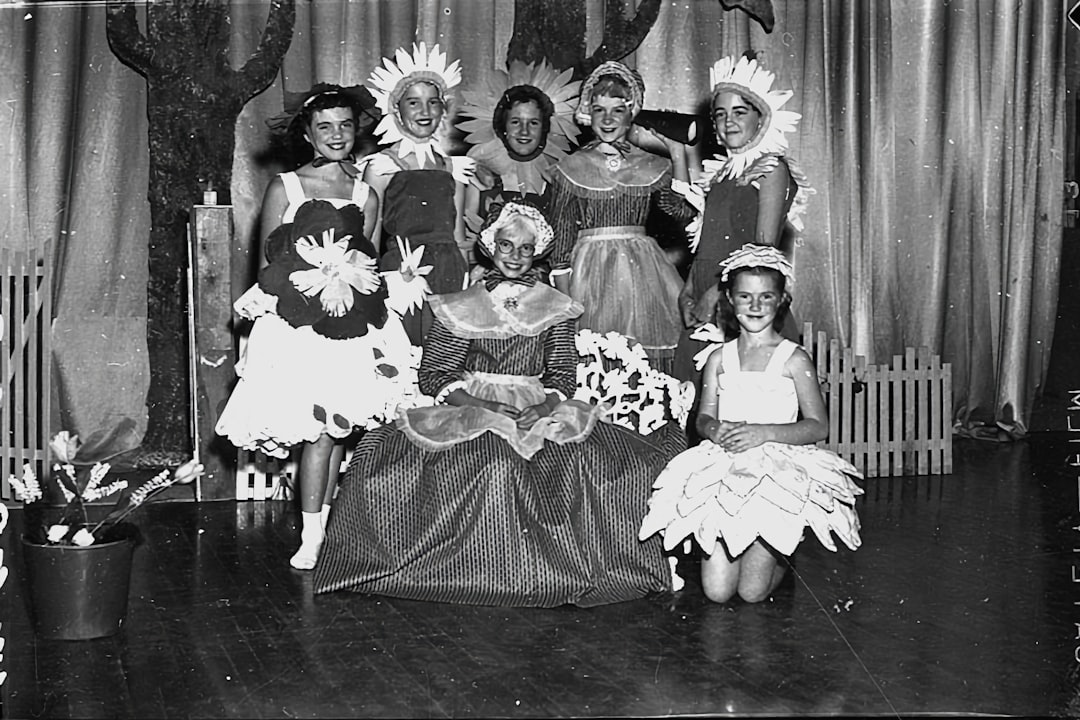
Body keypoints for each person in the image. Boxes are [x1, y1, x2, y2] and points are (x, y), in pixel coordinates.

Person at [312, 202, 682, 607]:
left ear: (537, 252)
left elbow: (562, 373)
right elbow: (435, 373)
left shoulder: (556, 306)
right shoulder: (461, 303)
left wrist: (544, 408)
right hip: (470, 405)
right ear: (490, 245)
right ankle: (474, 568)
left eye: (526, 248)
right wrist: (477, 404)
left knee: (586, 463)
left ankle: (545, 570)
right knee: (479, 462)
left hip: (535, 406)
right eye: (507, 245)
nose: (515, 256)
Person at [216, 84, 424, 571]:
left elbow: (366, 259)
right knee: (319, 434)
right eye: (324, 127)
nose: (336, 135)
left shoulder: (365, 193)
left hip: (350, 323)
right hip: (300, 325)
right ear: (308, 135)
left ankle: (321, 528)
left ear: (356, 131)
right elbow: (269, 263)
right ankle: (311, 538)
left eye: (345, 126)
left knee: (337, 432)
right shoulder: (286, 187)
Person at [639, 244, 862, 604]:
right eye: (745, 296)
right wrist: (713, 429)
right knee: (717, 592)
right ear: (729, 299)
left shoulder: (794, 359)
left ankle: (781, 553)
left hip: (776, 469)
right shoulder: (718, 358)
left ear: (781, 299)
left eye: (765, 297)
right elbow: (703, 418)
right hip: (727, 467)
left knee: (752, 593)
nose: (755, 306)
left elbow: (818, 426)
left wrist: (763, 433)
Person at [547, 60, 698, 375]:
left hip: (641, 273)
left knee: (640, 362)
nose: (608, 119)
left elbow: (682, 212)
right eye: (599, 110)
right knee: (593, 361)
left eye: (617, 110)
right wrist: (564, 304)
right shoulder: (570, 167)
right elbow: (561, 240)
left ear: (633, 114)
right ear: (588, 112)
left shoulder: (650, 164)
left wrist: (677, 154)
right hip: (589, 274)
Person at [673, 54, 812, 382]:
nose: (728, 122)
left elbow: (762, 252)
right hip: (706, 294)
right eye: (720, 114)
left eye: (739, 112)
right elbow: (706, 244)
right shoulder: (719, 175)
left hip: (740, 297)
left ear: (761, 118)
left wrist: (717, 295)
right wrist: (688, 290)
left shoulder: (771, 168)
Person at [362, 42, 478, 345]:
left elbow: (457, 234)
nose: (425, 112)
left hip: (449, 271)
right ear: (396, 110)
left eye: (433, 102)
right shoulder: (383, 166)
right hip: (403, 270)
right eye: (413, 102)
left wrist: (466, 278)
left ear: (443, 108)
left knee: (445, 349)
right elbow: (370, 236)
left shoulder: (453, 168)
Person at [457, 59, 581, 221]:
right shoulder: (480, 177)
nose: (524, 131)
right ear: (502, 126)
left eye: (533, 123)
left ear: (546, 128)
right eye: (515, 122)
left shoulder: (561, 180)